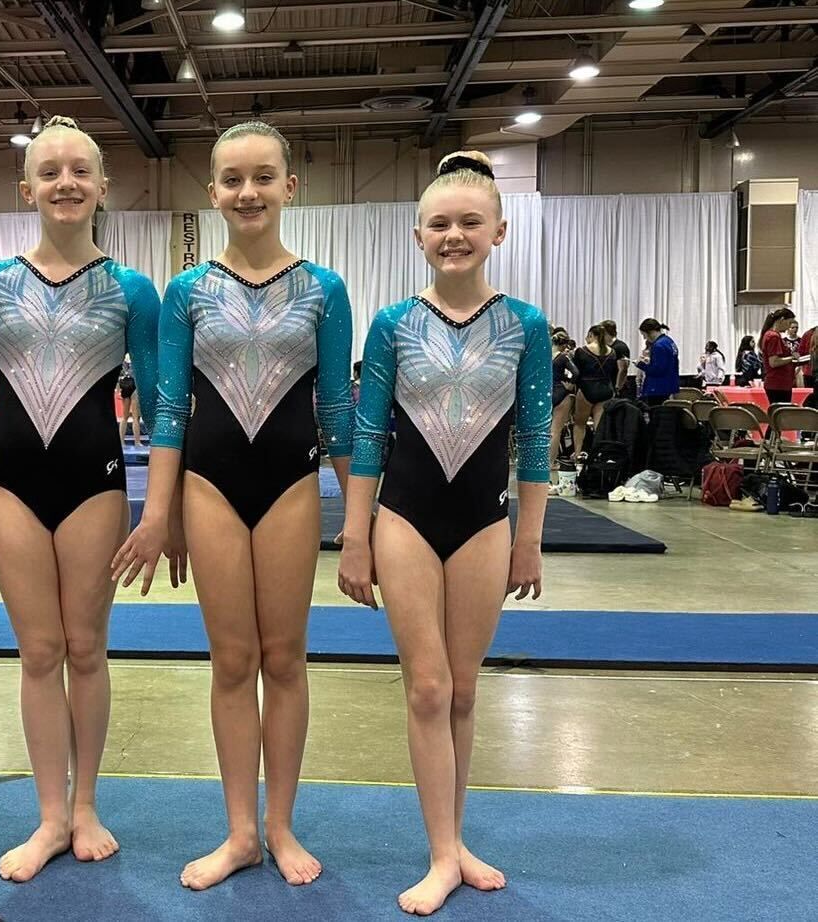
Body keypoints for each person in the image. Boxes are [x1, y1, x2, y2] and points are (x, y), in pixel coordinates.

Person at [115, 120, 354, 892]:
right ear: (212, 191)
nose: (246, 192)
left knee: (284, 659)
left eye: (262, 177)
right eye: (231, 179)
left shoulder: (324, 288)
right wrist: (159, 510)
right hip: (210, 487)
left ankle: (280, 824)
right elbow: (170, 407)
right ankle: (240, 831)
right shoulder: (187, 292)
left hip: (289, 483)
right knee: (231, 661)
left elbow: (339, 410)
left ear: (290, 186)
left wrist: (362, 516)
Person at [338, 149, 550, 916]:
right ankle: (438, 853)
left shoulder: (524, 326)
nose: (454, 234)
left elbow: (534, 439)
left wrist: (529, 536)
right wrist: (355, 535)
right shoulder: (393, 324)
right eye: (440, 223)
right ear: (417, 234)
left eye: (470, 222)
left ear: (499, 230)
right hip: (405, 516)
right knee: (426, 685)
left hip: (486, 523)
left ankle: (457, 842)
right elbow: (369, 437)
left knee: (463, 689)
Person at [0, 115, 160, 883]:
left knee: (85, 648)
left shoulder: (133, 289)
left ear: (103, 185)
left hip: (95, 483)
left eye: (81, 170)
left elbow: (166, 404)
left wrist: (161, 511)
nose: (66, 183)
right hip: (13, 483)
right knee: (39, 651)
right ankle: (48, 814)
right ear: (27, 188)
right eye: (51, 172)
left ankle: (86, 807)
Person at [571, 324, 616, 459]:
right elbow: (614, 372)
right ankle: (600, 455)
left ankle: (578, 454)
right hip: (605, 389)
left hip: (587, 388)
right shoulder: (612, 352)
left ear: (591, 335)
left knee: (579, 424)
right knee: (600, 427)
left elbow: (576, 372)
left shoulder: (582, 351)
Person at [549, 330, 578, 494]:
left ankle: (540, 462)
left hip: (545, 393)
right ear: (564, 344)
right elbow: (576, 373)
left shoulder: (545, 356)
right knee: (556, 431)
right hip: (560, 392)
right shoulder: (563, 357)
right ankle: (551, 462)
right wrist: (570, 383)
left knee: (545, 431)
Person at [759, 308, 803, 405]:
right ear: (782, 320)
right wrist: (792, 358)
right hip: (778, 383)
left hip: (778, 383)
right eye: (789, 322)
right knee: (782, 415)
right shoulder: (773, 336)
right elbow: (774, 362)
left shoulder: (770, 335)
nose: (789, 327)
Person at [635, 318, 678, 407]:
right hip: (669, 384)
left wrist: (641, 365)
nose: (644, 338)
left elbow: (657, 370)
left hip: (657, 388)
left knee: (656, 415)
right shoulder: (669, 341)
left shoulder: (658, 346)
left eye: (644, 335)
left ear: (650, 332)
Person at [117, 353, 143, 446]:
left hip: (125, 384)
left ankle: (122, 442)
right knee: (135, 417)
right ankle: (137, 442)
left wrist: (118, 388)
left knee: (125, 417)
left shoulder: (124, 356)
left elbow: (121, 371)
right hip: (133, 384)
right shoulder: (137, 354)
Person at [601, 319, 631, 397]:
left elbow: (623, 369)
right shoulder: (607, 347)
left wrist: (617, 387)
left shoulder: (620, 347)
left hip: (617, 388)